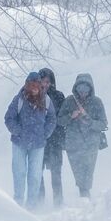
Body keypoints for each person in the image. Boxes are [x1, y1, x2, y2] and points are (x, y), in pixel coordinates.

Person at [4, 71, 56, 209]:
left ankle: (32, 206)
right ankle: (18, 203)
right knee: (19, 172)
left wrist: (45, 133)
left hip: (38, 144)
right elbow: (9, 118)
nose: (34, 88)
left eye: (36, 85)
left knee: (35, 175)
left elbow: (52, 119)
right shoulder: (19, 99)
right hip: (19, 143)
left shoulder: (46, 100)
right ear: (27, 85)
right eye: (31, 85)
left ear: (40, 86)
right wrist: (18, 131)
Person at [58, 72, 107, 198]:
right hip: (73, 143)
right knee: (78, 171)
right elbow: (59, 121)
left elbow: (103, 123)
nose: (83, 91)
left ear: (91, 88)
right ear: (76, 88)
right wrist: (71, 116)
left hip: (91, 143)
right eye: (80, 88)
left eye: (86, 88)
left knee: (88, 171)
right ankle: (84, 194)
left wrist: (90, 122)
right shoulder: (69, 101)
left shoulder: (97, 102)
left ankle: (85, 194)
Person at [36, 67, 66, 207]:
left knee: (56, 174)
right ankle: (39, 203)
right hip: (39, 141)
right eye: (43, 81)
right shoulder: (32, 95)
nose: (45, 84)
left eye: (48, 82)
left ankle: (58, 204)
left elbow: (62, 117)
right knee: (38, 174)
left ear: (52, 82)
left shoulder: (59, 96)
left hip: (55, 140)